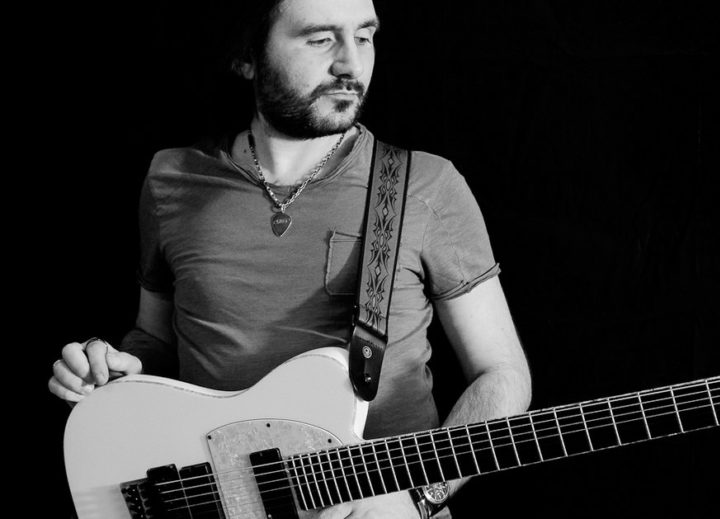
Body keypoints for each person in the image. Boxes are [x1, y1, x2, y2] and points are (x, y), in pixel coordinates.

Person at [47, 0, 532, 517]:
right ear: (247, 56)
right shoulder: (172, 180)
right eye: (320, 39)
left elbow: (502, 373)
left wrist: (421, 496)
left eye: (364, 36)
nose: (351, 64)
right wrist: (110, 368)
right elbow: (157, 340)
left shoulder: (426, 187)